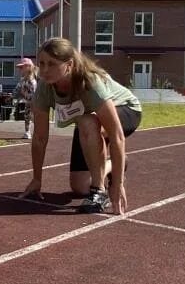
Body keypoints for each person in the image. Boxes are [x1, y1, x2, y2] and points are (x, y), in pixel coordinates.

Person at [20, 37, 142, 214]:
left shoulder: (89, 82)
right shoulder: (44, 87)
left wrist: (118, 184)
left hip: (126, 109)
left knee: (86, 122)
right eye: (42, 64)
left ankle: (99, 191)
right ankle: (113, 165)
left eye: (52, 64)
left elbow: (116, 135)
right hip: (89, 121)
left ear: (69, 65)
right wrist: (37, 178)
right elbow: (39, 137)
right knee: (79, 186)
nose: (45, 70)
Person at [14, 57, 38, 140]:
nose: (20, 69)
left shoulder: (32, 81)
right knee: (27, 116)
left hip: (34, 103)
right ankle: (27, 132)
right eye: (20, 68)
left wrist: (33, 104)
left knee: (35, 118)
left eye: (22, 67)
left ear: (28, 67)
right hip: (28, 102)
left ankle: (39, 133)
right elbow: (17, 89)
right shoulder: (22, 80)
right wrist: (12, 96)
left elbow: (34, 94)